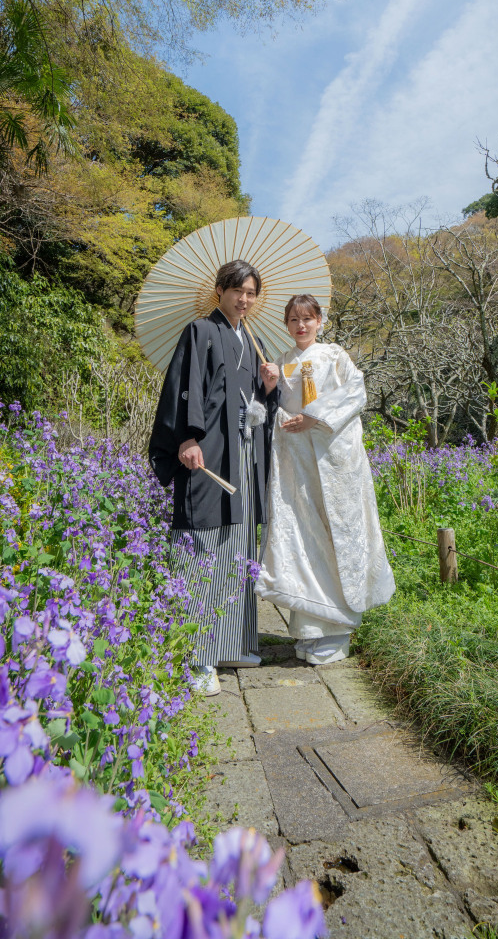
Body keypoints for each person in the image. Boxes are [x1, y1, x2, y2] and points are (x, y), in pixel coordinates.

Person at [148, 260, 279, 696]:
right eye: (237, 290)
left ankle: (233, 643)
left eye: (251, 293)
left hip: (244, 454)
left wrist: (268, 388)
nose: (244, 299)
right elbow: (185, 388)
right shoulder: (201, 332)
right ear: (220, 290)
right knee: (203, 546)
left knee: (239, 546)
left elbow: (251, 404)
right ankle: (196, 655)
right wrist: (187, 438)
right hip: (209, 454)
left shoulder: (250, 339)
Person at [255, 294, 394, 664]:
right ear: (286, 325)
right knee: (305, 536)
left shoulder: (335, 356)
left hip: (335, 462)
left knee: (336, 535)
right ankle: (309, 629)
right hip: (298, 463)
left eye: (308, 319)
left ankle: (339, 629)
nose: (301, 326)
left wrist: (314, 417)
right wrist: (269, 387)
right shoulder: (281, 362)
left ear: (320, 321)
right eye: (293, 320)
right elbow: (274, 409)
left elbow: (356, 393)